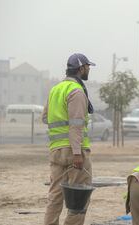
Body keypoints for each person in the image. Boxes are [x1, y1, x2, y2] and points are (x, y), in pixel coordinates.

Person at [43, 53, 96, 225]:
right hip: (75, 152)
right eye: (87, 67)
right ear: (81, 69)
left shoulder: (55, 90)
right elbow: (76, 125)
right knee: (78, 201)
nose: (89, 70)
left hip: (56, 151)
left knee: (55, 197)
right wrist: (77, 154)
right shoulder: (76, 91)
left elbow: (45, 118)